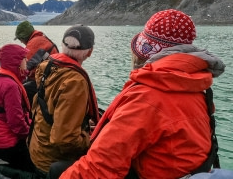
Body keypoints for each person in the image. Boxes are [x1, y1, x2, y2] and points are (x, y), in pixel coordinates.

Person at [59, 9, 226, 178]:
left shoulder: (146, 98)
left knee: (58, 169)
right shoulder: (196, 87)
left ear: (143, 53)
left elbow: (99, 168)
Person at [28, 24, 100, 176]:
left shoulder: (47, 66)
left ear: (62, 45)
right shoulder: (75, 81)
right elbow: (64, 139)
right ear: (90, 52)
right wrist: (88, 139)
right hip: (51, 160)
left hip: (36, 146)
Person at [0, 44, 34, 172]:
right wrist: (29, 135)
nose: (27, 61)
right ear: (15, 62)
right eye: (23, 58)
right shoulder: (11, 86)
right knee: (31, 170)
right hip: (6, 142)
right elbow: (15, 122)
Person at [14, 20, 59, 104]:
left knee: (16, 92)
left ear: (24, 37)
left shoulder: (34, 44)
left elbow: (23, 69)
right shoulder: (41, 39)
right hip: (51, 79)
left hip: (46, 82)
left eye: (20, 39)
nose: (20, 41)